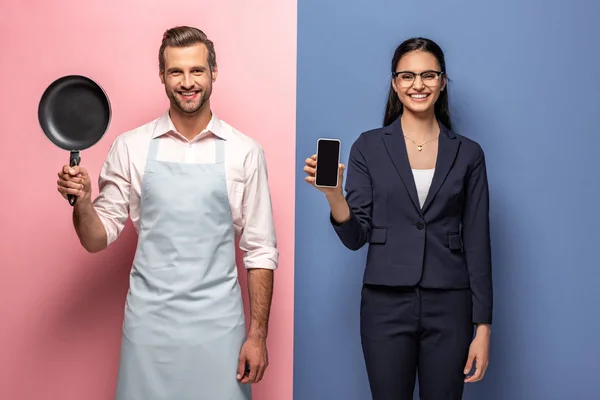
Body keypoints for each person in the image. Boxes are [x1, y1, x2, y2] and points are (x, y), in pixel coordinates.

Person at [56, 26, 278, 400]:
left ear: (213, 73)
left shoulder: (245, 152)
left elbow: (260, 250)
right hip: (148, 331)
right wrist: (82, 202)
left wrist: (257, 336)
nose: (187, 82)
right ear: (162, 75)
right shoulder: (131, 147)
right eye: (176, 72)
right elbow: (96, 238)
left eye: (197, 70)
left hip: (219, 331)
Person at [303, 37, 493, 399]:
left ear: (442, 81)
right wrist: (334, 194)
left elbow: (478, 242)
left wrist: (482, 328)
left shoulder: (469, 154)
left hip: (450, 305)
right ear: (394, 82)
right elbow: (356, 236)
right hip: (384, 305)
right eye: (407, 76)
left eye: (428, 75)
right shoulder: (369, 147)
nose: (417, 85)